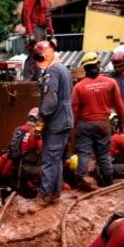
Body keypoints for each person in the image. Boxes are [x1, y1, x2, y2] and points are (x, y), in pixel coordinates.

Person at [72, 51, 124, 189]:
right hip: (103, 124)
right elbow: (119, 106)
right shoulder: (110, 82)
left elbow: (75, 111)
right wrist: (122, 124)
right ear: (99, 65)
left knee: (84, 154)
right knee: (103, 155)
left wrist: (74, 127)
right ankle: (108, 182)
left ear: (85, 68)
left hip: (85, 125)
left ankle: (80, 182)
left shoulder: (78, 87)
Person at [35, 40, 72, 205]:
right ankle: (54, 194)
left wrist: (40, 121)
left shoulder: (52, 71)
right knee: (56, 160)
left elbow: (50, 100)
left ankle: (43, 197)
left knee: (49, 161)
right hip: (64, 121)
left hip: (55, 123)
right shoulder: (64, 68)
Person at [0, 108, 43, 194]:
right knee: (47, 169)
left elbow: (13, 149)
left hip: (13, 166)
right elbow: (42, 150)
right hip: (24, 168)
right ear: (39, 119)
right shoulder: (36, 132)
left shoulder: (18, 129)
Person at [21, 0, 59, 81]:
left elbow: (48, 17)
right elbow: (26, 16)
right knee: (34, 55)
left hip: (43, 30)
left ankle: (37, 80)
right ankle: (26, 82)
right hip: (34, 29)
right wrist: (30, 34)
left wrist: (52, 33)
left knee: (42, 56)